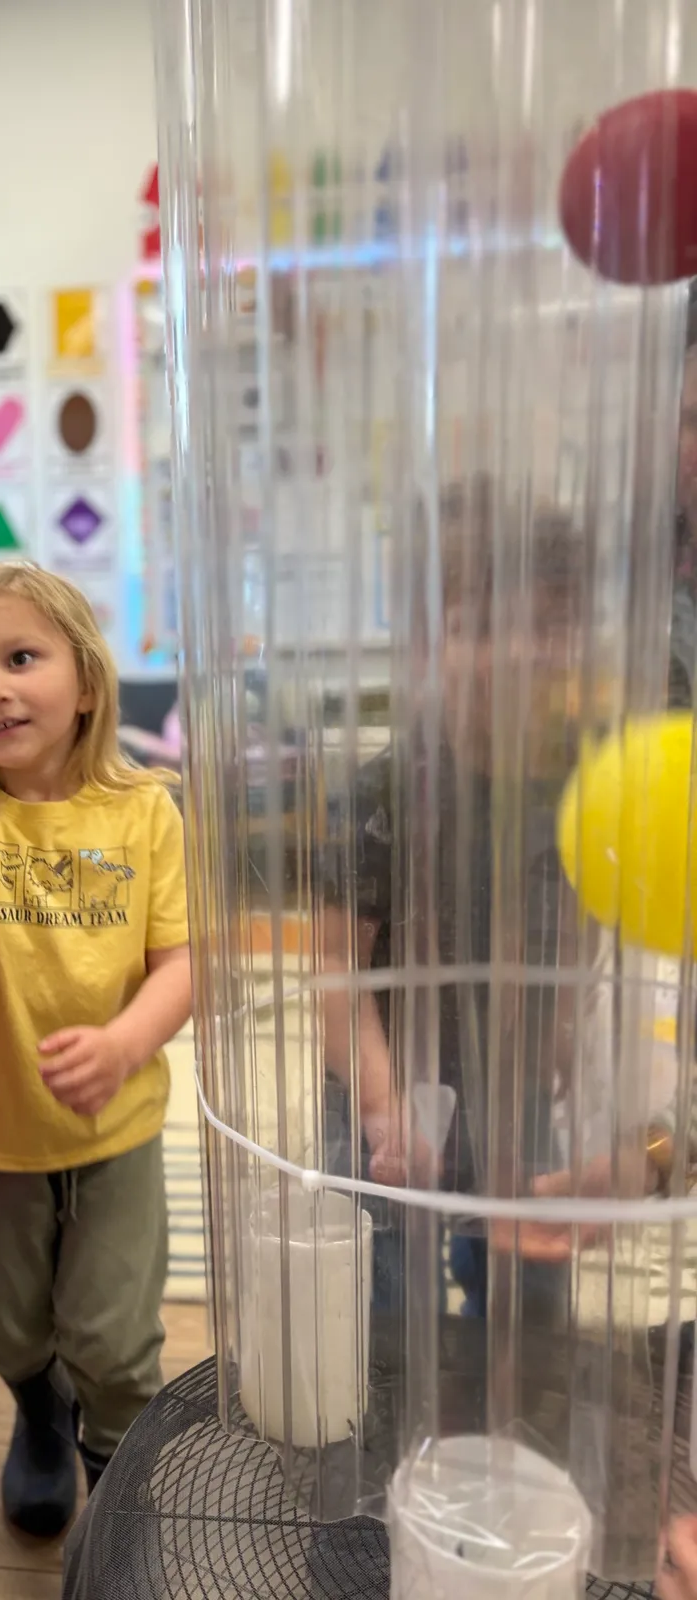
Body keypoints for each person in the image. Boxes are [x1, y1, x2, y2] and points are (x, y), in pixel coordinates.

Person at [0, 561, 192, 1538]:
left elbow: (182, 962)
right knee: (7, 1320)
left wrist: (124, 1041)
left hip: (118, 1123)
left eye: (20, 657)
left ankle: (116, 1458)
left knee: (113, 1332)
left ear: (87, 683)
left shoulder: (146, 807)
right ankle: (39, 1410)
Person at [319, 477, 596, 1319]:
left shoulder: (583, 788)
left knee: (531, 1298)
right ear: (426, 643)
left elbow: (577, 945)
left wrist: (559, 1065)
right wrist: (379, 1105)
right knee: (384, 1302)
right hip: (383, 1090)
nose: (514, 655)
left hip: (509, 1090)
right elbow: (335, 972)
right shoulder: (383, 791)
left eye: (543, 626)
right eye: (478, 629)